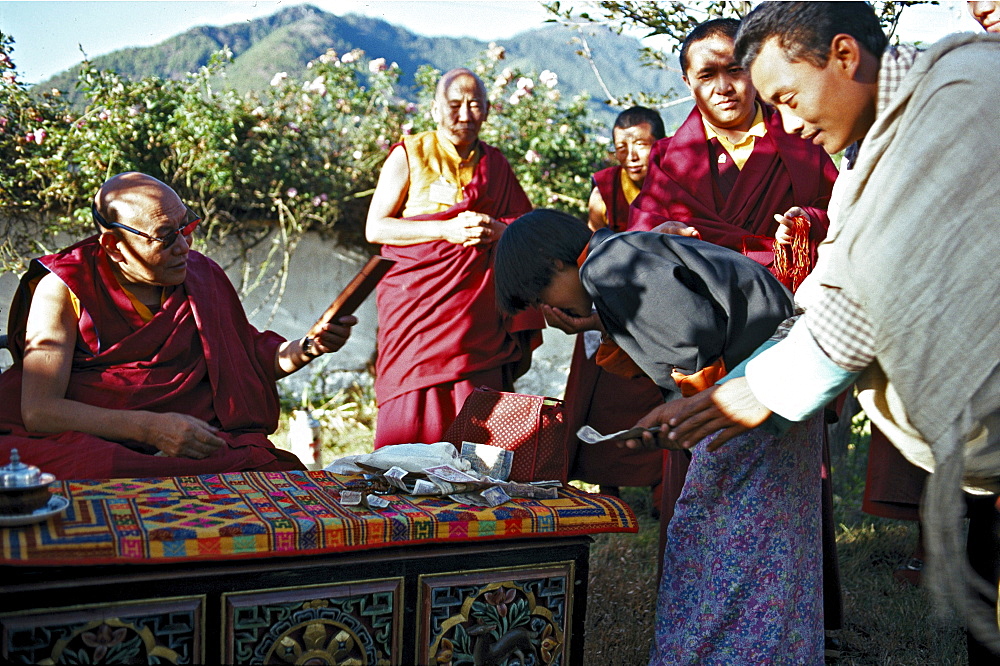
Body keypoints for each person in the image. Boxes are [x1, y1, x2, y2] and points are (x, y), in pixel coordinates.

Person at [638, 2, 1000, 655]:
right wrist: (731, 392)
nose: (791, 123)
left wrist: (750, 393)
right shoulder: (874, 155)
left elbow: (872, 293)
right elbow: (833, 288)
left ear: (843, 56)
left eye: (788, 96)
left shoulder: (963, 92)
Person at [495, 209, 826, 663]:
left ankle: (715, 654)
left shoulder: (607, 266)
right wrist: (594, 323)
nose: (550, 311)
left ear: (555, 265)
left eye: (541, 296)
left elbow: (694, 335)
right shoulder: (620, 254)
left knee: (707, 539)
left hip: (745, 400)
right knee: (768, 539)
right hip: (775, 383)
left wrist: (684, 409)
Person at [625, 18, 845, 641]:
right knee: (699, 483)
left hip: (781, 332)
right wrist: (657, 243)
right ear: (688, 84)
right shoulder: (671, 159)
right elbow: (632, 248)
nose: (724, 87)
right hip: (698, 349)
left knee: (788, 488)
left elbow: (846, 222)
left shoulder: (801, 143)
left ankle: (792, 621)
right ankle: (698, 621)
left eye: (734, 70)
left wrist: (803, 225)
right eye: (706, 75)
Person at [0, 172, 356, 479]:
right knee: (93, 467)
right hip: (100, 441)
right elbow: (39, 412)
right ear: (114, 246)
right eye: (166, 236)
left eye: (187, 226)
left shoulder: (202, 277)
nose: (184, 246)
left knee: (265, 466)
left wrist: (312, 345)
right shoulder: (65, 287)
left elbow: (247, 361)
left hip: (192, 441)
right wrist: (151, 428)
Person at [365, 67, 542, 449]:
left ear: (489, 110)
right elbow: (377, 228)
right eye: (455, 105)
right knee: (411, 419)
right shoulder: (409, 154)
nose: (465, 115)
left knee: (476, 418)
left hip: (476, 317)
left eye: (475, 105)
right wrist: (445, 230)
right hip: (417, 307)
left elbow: (523, 226)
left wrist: (498, 229)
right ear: (434, 109)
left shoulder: (495, 164)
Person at [557, 107, 666, 502]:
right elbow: (591, 252)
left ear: (661, 144)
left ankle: (661, 481)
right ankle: (607, 483)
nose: (631, 156)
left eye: (640, 145)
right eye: (622, 148)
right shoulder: (605, 189)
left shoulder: (677, 184)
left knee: (655, 391)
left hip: (661, 306)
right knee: (603, 398)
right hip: (610, 305)